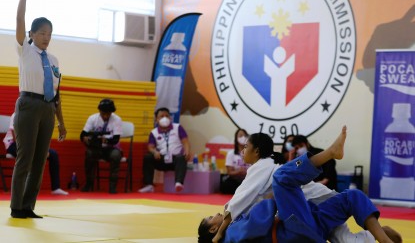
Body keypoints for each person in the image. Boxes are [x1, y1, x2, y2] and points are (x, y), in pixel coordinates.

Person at [199, 127, 402, 243]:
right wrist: (221, 231)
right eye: (211, 218)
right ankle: (378, 235)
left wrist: (223, 225)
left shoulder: (263, 165)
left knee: (284, 178)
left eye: (246, 147)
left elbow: (241, 202)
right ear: (212, 228)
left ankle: (380, 237)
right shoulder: (232, 232)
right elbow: (239, 201)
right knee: (283, 178)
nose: (242, 151)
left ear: (258, 151)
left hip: (305, 208)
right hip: (302, 215)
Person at [10, 0, 67, 219]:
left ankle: (28, 206)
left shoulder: (53, 59)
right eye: (42, 33)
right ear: (32, 34)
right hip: (28, 105)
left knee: (40, 159)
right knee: (25, 156)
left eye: (49, 34)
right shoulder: (25, 49)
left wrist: (61, 122)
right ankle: (16, 207)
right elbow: (20, 19)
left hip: (47, 108)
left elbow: (57, 92)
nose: (46, 37)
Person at [3, 113, 68, 195]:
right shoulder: (17, 114)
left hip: (31, 145)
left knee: (53, 154)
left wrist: (43, 149)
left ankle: (55, 188)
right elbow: (16, 136)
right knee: (29, 153)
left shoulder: (37, 115)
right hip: (14, 144)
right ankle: (23, 188)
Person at [138, 107, 190, 193]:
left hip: (175, 160)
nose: (165, 118)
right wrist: (154, 152)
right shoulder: (153, 132)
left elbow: (185, 141)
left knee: (181, 157)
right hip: (161, 159)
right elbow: (150, 146)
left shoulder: (178, 127)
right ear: (156, 119)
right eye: (161, 116)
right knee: (148, 157)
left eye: (167, 116)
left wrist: (187, 151)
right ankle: (149, 185)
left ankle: (178, 183)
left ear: (170, 118)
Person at [80, 98, 122, 194]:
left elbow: (116, 140)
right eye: (103, 113)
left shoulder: (117, 119)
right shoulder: (92, 118)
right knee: (89, 153)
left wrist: (105, 140)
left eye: (108, 113)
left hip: (111, 148)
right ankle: (89, 183)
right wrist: (85, 139)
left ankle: (112, 186)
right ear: (99, 111)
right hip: (96, 148)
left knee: (116, 155)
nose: (106, 116)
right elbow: (82, 135)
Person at [220, 128, 249, 194]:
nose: (243, 138)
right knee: (225, 186)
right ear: (236, 138)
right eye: (240, 136)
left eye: (245, 136)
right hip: (235, 180)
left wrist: (247, 173)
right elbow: (229, 172)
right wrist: (238, 172)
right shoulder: (231, 153)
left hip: (247, 180)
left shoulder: (251, 154)